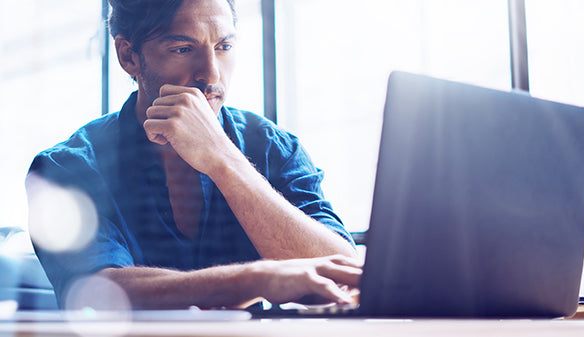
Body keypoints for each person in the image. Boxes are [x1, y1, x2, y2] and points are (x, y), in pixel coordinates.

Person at [26, 0, 361, 310]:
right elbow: (96, 293)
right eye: (183, 49)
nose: (211, 75)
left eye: (224, 47)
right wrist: (256, 279)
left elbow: (342, 272)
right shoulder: (66, 167)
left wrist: (223, 160)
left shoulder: (275, 147)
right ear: (128, 56)